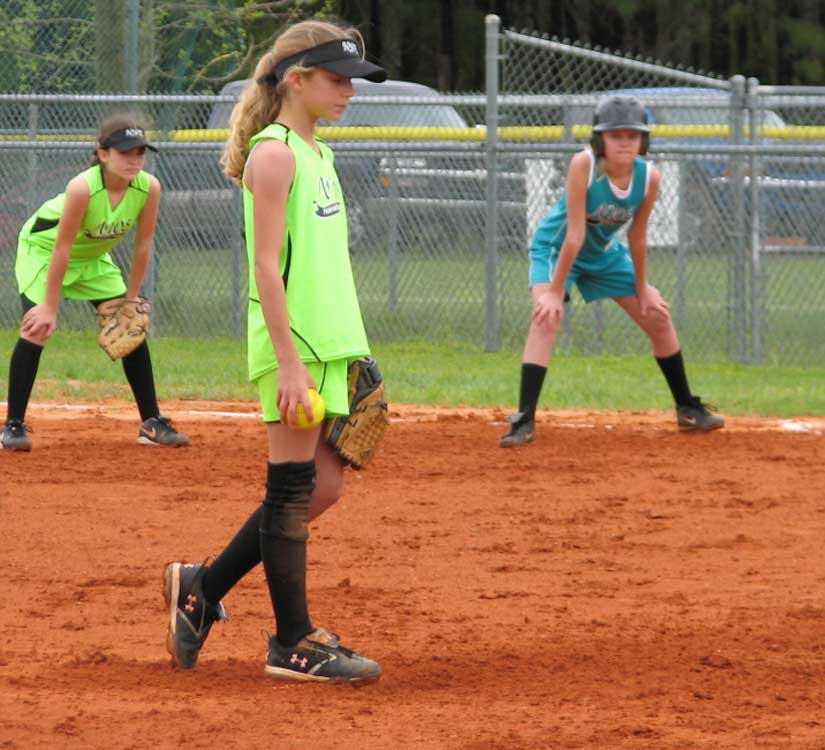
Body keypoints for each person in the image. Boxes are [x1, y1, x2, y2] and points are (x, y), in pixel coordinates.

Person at [164, 20, 386, 684]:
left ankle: (202, 587)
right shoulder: (275, 153)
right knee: (290, 491)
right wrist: (289, 363)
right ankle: (292, 643)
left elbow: (321, 268)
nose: (349, 91)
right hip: (292, 349)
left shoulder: (320, 153)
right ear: (298, 79)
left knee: (324, 487)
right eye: (337, 79)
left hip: (330, 344)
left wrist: (354, 352)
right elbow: (265, 269)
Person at [501, 95, 724, 447]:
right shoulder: (584, 166)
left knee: (659, 317)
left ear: (643, 141)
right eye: (616, 135)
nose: (624, 142)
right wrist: (555, 292)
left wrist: (643, 286)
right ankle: (524, 420)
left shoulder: (648, 177)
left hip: (603, 253)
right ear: (600, 139)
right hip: (556, 250)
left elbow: (637, 234)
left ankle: (687, 409)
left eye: (632, 136)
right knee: (546, 318)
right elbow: (573, 235)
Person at [1, 115, 188, 451]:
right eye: (125, 152)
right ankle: (12, 426)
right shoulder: (83, 188)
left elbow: (144, 243)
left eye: (140, 153)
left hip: (91, 259)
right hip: (44, 252)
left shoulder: (149, 187)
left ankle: (151, 423)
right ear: (103, 154)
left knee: (129, 329)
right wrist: (50, 307)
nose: (134, 160)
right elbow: (62, 247)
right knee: (37, 329)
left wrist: (130, 300)